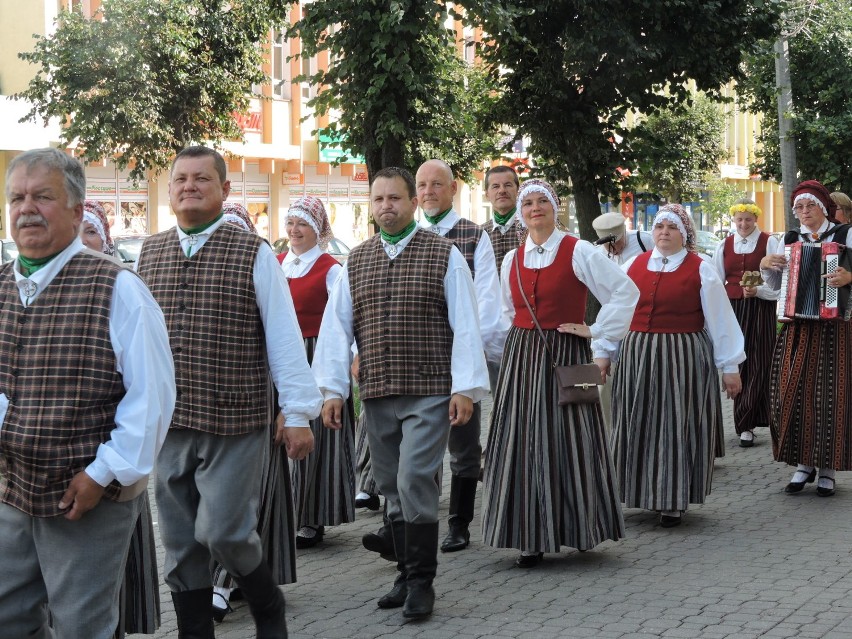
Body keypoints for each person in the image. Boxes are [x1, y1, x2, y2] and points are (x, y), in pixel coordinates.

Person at [136, 146, 322, 638]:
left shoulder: (253, 251)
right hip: (171, 423)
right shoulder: (150, 252)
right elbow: (133, 342)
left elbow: (283, 335)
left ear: (224, 190)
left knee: (222, 531)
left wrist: (298, 413)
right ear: (170, 188)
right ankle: (195, 632)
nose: (189, 186)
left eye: (201, 178)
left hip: (235, 420)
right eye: (180, 178)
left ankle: (266, 600)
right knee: (179, 542)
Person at [0, 148, 175, 638]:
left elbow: (152, 400)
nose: (26, 208)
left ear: (78, 211)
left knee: (82, 627)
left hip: (83, 494)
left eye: (43, 196)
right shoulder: (2, 287)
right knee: (8, 618)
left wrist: (102, 473)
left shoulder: (118, 288)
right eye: (16, 197)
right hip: (10, 489)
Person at [313, 166, 489, 620]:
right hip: (377, 389)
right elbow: (336, 328)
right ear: (370, 207)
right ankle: (404, 572)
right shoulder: (358, 259)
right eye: (378, 200)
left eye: (394, 198)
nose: (386, 206)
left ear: (412, 202)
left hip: (430, 389)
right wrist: (332, 390)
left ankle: (421, 582)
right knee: (389, 484)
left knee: (414, 479)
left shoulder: (443, 254)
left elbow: (465, 324)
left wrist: (465, 388)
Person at [481, 179, 638, 568]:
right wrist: (506, 356)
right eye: (528, 203)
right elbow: (504, 313)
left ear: (555, 208)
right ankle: (528, 536)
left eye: (542, 202)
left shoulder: (578, 250)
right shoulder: (511, 259)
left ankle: (580, 527)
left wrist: (596, 330)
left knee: (572, 439)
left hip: (565, 352)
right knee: (522, 440)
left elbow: (624, 291)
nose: (535, 209)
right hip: (522, 356)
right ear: (521, 212)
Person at [602, 204, 744, 528]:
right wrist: (605, 351)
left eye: (672, 227)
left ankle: (671, 500)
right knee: (635, 422)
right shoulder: (633, 265)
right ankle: (636, 491)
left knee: (674, 425)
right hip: (638, 356)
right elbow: (616, 312)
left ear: (685, 234)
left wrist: (731, 365)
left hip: (682, 356)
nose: (664, 232)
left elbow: (721, 320)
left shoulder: (701, 268)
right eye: (659, 227)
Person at [209, 201, 299, 624]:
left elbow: (282, 343)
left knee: (240, 502)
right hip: (201, 407)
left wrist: (289, 410)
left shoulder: (261, 264)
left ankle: (222, 585)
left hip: (253, 401)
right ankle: (241, 580)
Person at [415, 158, 502, 554]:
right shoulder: (408, 234)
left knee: (463, 441)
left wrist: (471, 356)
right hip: (415, 357)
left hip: (457, 355)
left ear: (453, 189)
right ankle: (416, 521)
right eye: (422, 185)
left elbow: (486, 298)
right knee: (416, 442)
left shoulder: (472, 236)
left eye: (437, 184)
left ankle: (460, 521)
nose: (429, 191)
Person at [761, 180, 852, 497]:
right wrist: (766, 264)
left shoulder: (845, 235)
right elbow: (773, 286)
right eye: (798, 207)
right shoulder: (788, 239)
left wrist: (848, 276)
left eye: (809, 205)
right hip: (798, 324)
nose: (803, 212)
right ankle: (803, 464)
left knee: (830, 395)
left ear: (824, 207)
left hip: (834, 327)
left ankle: (826, 470)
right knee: (793, 393)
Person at [277, 195, 355, 549]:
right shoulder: (276, 263)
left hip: (315, 354)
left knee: (314, 439)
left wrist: (351, 358)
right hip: (283, 356)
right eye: (291, 223)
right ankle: (283, 512)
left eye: (303, 224)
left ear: (318, 228)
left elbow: (343, 320)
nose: (295, 230)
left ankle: (310, 516)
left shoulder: (331, 269)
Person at [712, 199, 782, 448]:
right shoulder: (724, 244)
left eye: (748, 219)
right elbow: (716, 280)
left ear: (756, 220)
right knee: (737, 360)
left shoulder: (769, 242)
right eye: (739, 219)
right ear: (734, 220)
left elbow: (778, 283)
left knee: (760, 361)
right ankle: (745, 422)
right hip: (733, 309)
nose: (743, 224)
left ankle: (748, 420)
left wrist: (759, 291)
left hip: (760, 309)